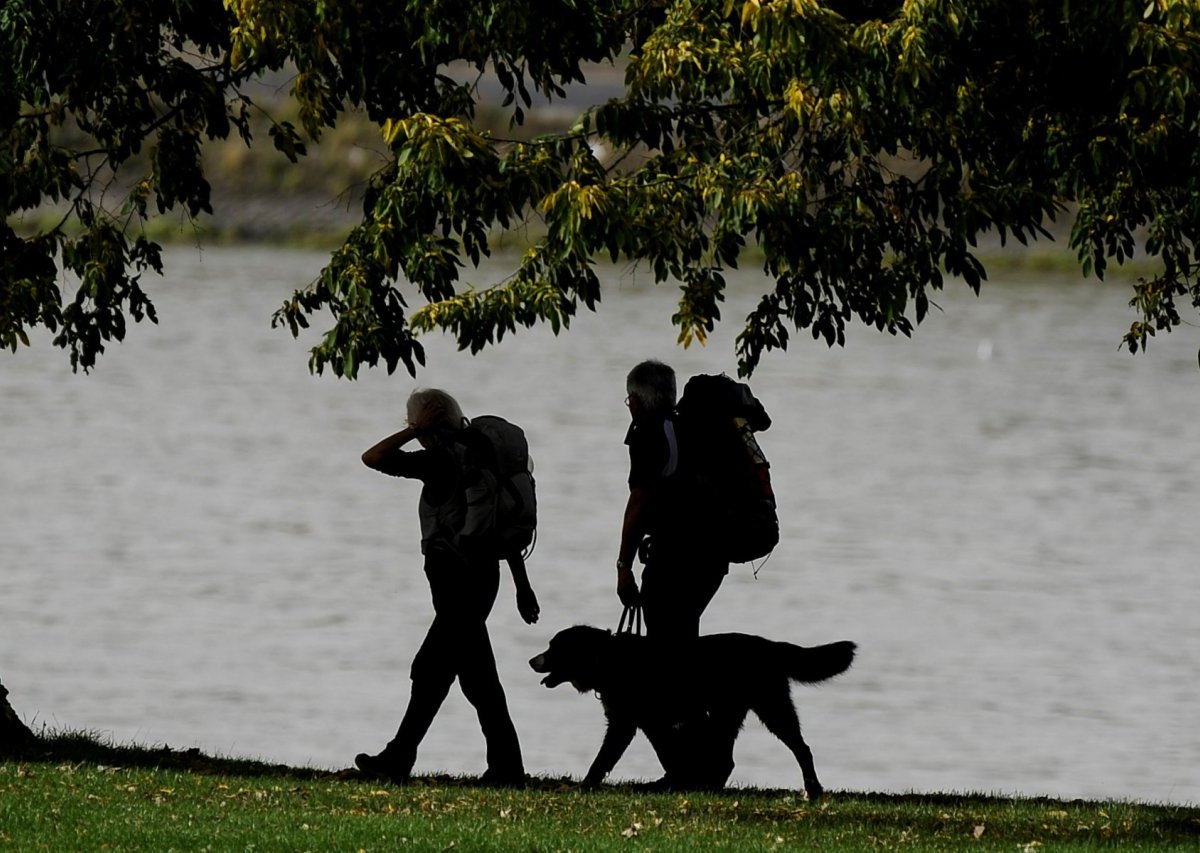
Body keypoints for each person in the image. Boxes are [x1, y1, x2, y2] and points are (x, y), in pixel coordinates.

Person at [354, 389, 536, 787]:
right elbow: (494, 523)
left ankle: (400, 757)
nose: (413, 431)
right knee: (469, 676)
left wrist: (412, 433)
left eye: (414, 424)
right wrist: (522, 586)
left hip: (456, 582)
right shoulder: (480, 449)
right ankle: (506, 769)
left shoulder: (439, 460)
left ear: (425, 424)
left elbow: (373, 458)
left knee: (438, 670)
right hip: (484, 577)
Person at [615, 360, 729, 639]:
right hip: (713, 557)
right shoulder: (691, 426)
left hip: (678, 558)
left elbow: (639, 504)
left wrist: (623, 566)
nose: (629, 406)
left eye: (630, 399)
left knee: (666, 648)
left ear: (639, 400)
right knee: (681, 641)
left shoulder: (648, 432)